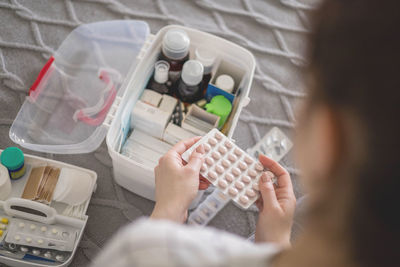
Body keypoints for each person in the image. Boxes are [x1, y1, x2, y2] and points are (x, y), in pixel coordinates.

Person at [92, 1, 399, 266]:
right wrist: (275, 240)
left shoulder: (143, 253)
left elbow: (149, 255)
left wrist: (169, 211)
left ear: (328, 138)